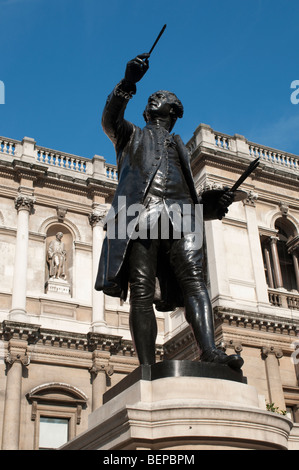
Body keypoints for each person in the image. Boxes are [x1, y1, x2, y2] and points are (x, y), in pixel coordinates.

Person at [95, 54, 243, 370]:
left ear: (172, 111)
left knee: (196, 282)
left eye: (159, 98)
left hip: (184, 217)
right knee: (142, 291)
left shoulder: (179, 147)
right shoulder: (129, 135)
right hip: (138, 215)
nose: (152, 100)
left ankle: (210, 350)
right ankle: (147, 367)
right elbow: (109, 119)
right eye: (151, 97)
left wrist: (210, 206)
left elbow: (186, 194)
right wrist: (128, 82)